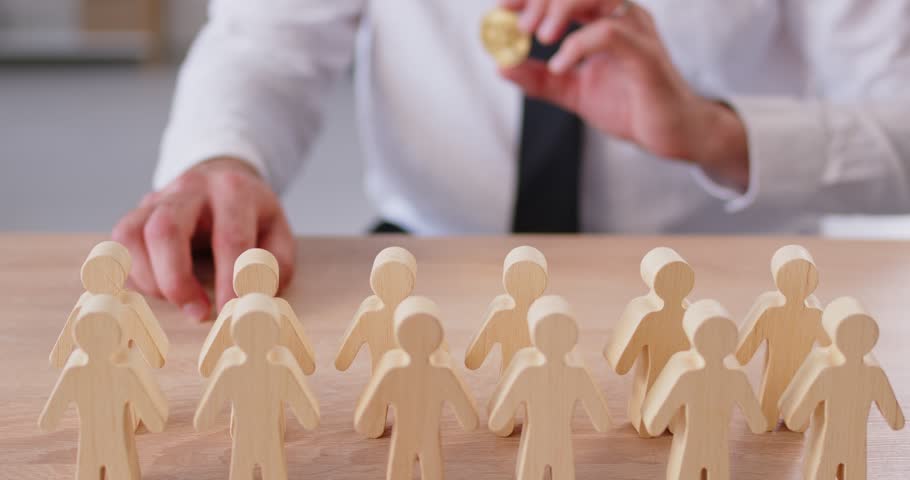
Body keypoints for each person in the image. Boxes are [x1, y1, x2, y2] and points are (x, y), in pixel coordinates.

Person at [112, 0, 910, 320]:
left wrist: (715, 133)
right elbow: (265, 43)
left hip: (736, 300)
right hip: (429, 275)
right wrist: (224, 158)